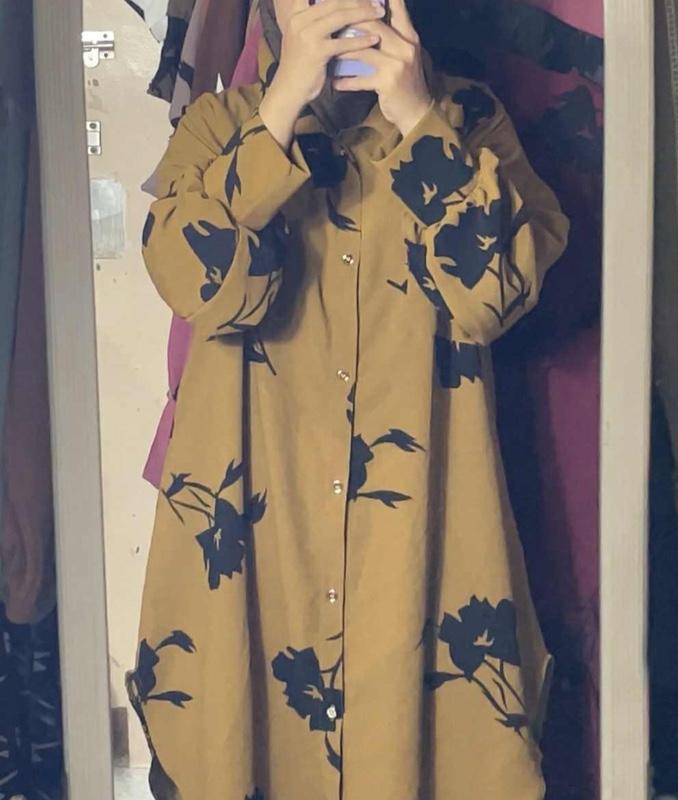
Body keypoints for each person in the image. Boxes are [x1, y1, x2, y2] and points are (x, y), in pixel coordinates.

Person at [128, 0, 569, 797]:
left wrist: (417, 117)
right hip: (255, 575)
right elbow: (202, 283)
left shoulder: (468, 121)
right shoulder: (217, 127)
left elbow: (489, 295)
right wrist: (279, 111)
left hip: (419, 568)